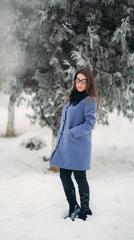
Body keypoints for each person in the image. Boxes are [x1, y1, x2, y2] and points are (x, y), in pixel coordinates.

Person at [50, 67, 98, 221]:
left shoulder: (89, 100)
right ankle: (73, 205)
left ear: (88, 82)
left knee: (79, 176)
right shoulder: (72, 97)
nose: (80, 84)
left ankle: (84, 208)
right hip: (66, 145)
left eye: (84, 81)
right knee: (64, 175)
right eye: (78, 80)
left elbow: (90, 124)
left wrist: (72, 133)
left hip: (78, 145)